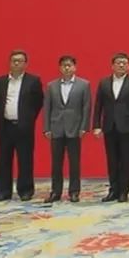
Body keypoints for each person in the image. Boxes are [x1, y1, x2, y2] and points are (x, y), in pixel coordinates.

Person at [0, 50, 43, 202]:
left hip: (24, 127)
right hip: (5, 126)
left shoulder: (33, 81)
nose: (16, 63)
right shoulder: (0, 81)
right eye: (13, 60)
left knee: (25, 159)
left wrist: (29, 118)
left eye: (19, 61)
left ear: (25, 64)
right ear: (9, 63)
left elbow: (38, 102)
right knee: (3, 159)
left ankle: (25, 190)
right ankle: (3, 191)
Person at [93, 52, 129, 203]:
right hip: (109, 126)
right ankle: (113, 190)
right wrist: (96, 125)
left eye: (124, 63)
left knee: (126, 160)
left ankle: (123, 191)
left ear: (128, 66)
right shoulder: (104, 83)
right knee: (112, 160)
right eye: (118, 63)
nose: (121, 65)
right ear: (112, 66)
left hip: (127, 128)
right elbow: (98, 105)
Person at [43, 55, 90, 203]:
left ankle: (74, 192)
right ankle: (55, 192)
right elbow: (47, 108)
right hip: (56, 128)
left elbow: (86, 107)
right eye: (64, 65)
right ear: (60, 68)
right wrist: (46, 128)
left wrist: (84, 127)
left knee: (74, 163)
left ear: (75, 67)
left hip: (74, 129)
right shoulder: (51, 86)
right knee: (56, 163)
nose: (67, 68)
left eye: (69, 65)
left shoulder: (84, 85)